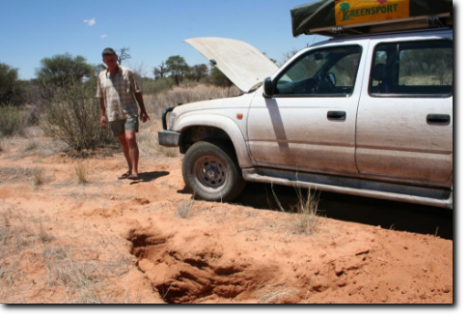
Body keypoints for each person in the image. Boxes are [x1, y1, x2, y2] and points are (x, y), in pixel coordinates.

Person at [97, 48, 150, 181]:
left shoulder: (127, 72)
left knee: (130, 138)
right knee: (123, 141)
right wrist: (102, 115)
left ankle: (134, 171)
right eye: (108, 60)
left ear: (116, 57)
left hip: (129, 111)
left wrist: (143, 110)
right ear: (103, 61)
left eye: (112, 59)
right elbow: (101, 97)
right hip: (113, 114)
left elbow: (137, 92)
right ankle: (129, 168)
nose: (111, 62)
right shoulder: (101, 76)